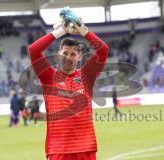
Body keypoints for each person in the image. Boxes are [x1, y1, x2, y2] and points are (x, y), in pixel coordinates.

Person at [28, 8, 109, 160]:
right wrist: (61, 31)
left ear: (79, 57)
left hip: (86, 148)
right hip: (58, 150)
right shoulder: (48, 77)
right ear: (59, 54)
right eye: (65, 52)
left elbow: (103, 51)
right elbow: (33, 50)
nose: (68, 57)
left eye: (73, 54)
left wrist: (82, 29)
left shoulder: (86, 76)